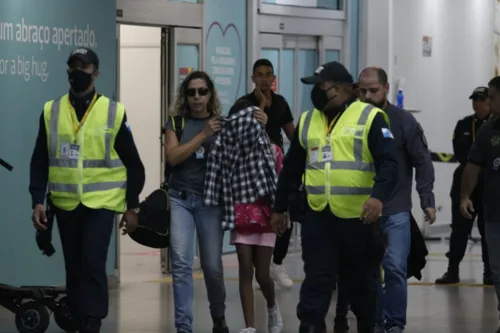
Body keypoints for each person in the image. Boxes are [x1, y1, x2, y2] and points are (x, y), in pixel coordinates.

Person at [270, 61, 399, 333]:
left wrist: (377, 198)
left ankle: (368, 326)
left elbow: (390, 163)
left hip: (358, 220)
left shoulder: (370, 117)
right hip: (319, 217)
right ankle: (310, 326)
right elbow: (292, 169)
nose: (316, 93)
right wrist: (279, 208)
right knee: (317, 280)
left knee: (362, 285)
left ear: (342, 89)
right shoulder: (308, 121)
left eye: (321, 87)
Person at [29, 47, 145, 333]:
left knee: (93, 262)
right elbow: (40, 161)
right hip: (65, 203)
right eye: (73, 66)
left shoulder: (113, 112)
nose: (77, 72)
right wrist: (37, 201)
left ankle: (93, 322)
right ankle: (79, 318)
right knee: (74, 266)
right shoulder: (51, 110)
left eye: (84, 66)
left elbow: (135, 165)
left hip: (101, 204)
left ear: (96, 72)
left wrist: (132, 206)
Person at [333, 67, 436, 333]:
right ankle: (373, 322)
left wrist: (427, 198)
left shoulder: (403, 121)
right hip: (360, 209)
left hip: (395, 208)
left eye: (373, 90)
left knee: (394, 268)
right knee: (365, 272)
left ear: (386, 88)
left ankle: (394, 324)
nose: (367, 96)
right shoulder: (348, 118)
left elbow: (422, 160)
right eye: (363, 90)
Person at [163, 70, 229, 333]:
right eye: (191, 92)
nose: (197, 97)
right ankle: (183, 327)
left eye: (202, 91)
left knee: (212, 267)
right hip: (180, 200)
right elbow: (173, 157)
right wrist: (203, 135)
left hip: (210, 202)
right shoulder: (176, 124)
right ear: (185, 96)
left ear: (210, 93)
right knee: (180, 263)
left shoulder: (222, 124)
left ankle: (218, 317)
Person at [213, 99, 284, 333]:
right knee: (245, 266)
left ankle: (272, 307)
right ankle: (249, 326)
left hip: (265, 217)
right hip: (241, 215)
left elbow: (280, 183)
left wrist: (281, 214)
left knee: (263, 274)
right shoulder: (228, 151)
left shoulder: (272, 150)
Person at [239, 58, 296, 288]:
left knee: (284, 215)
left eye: (268, 74)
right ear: (253, 78)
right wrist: (261, 105)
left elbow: (292, 134)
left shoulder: (281, 103)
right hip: (252, 169)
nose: (264, 79)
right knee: (257, 214)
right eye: (259, 74)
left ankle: (277, 262)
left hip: (276, 167)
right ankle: (256, 265)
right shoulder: (245, 103)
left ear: (274, 79)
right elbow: (244, 135)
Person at [435, 86, 492, 285]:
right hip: (465, 180)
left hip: (488, 182)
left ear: (489, 101)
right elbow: (460, 152)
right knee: (459, 228)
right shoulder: (464, 125)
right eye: (474, 99)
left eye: (481, 99)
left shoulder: (495, 125)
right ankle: (452, 270)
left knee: (487, 228)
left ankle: (489, 272)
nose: (477, 103)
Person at [459, 76, 500, 333]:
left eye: (493, 98)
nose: (488, 102)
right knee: (497, 270)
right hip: (495, 213)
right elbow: (472, 166)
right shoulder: (488, 130)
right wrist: (465, 196)